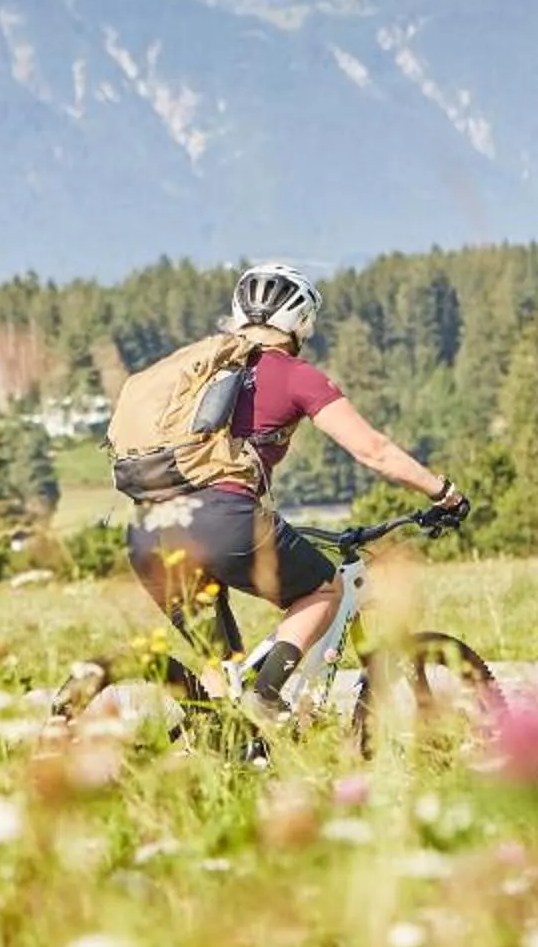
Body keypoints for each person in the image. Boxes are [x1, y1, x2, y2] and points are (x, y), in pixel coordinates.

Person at [123, 262, 468, 714]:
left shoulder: (197, 372)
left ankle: (223, 749)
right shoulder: (293, 374)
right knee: (326, 589)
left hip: (148, 529)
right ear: (302, 320)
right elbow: (373, 450)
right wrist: (443, 492)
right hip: (222, 521)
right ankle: (265, 698)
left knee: (222, 667)